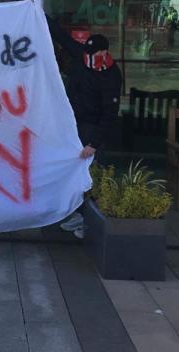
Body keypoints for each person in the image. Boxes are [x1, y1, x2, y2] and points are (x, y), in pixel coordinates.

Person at [46, 16, 123, 238]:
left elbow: (110, 114)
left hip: (93, 129)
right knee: (69, 171)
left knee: (92, 174)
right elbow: (61, 36)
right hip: (71, 125)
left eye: (94, 55)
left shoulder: (111, 76)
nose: (89, 58)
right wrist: (39, 13)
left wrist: (94, 144)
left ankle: (90, 220)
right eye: (87, 54)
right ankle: (72, 213)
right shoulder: (81, 56)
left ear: (103, 54)